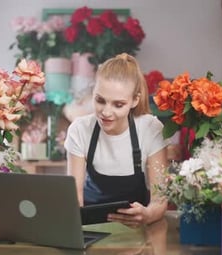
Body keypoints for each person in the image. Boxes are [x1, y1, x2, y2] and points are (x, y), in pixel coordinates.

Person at [64, 53, 168, 228]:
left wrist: (147, 215)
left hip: (136, 230)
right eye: (100, 100)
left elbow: (160, 201)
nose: (106, 112)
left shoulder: (150, 129)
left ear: (135, 100)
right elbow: (74, 198)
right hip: (91, 227)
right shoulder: (79, 130)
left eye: (118, 105)